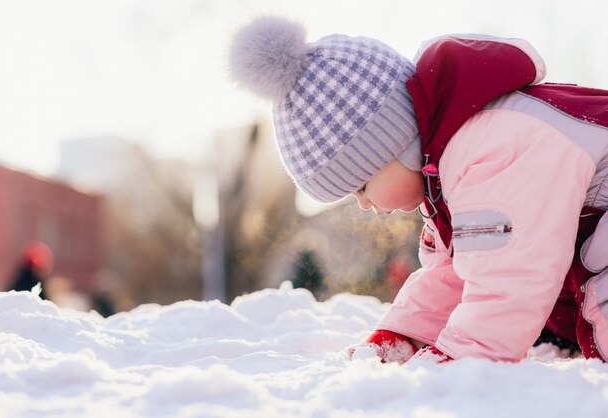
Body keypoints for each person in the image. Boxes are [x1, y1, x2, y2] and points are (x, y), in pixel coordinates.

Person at [228, 16, 608, 363]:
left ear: (392, 144)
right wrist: (405, 335)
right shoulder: (444, 172)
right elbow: (456, 273)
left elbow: (509, 276)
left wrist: (464, 357)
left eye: (361, 186)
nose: (363, 205)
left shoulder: (491, 146)